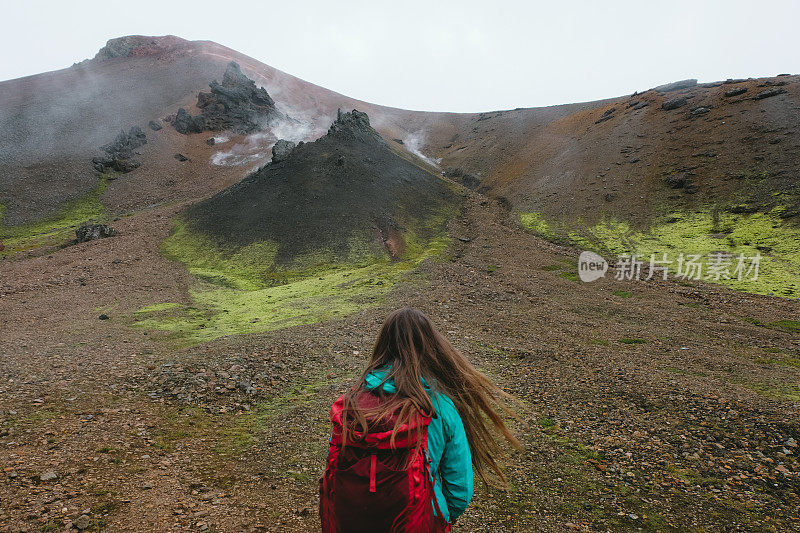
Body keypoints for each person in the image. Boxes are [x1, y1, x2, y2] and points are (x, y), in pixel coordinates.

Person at [319, 307, 519, 532]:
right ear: (431, 347)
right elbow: (460, 489)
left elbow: (333, 465)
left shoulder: (353, 402)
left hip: (352, 520)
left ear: (382, 345)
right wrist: (438, 517)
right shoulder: (440, 407)